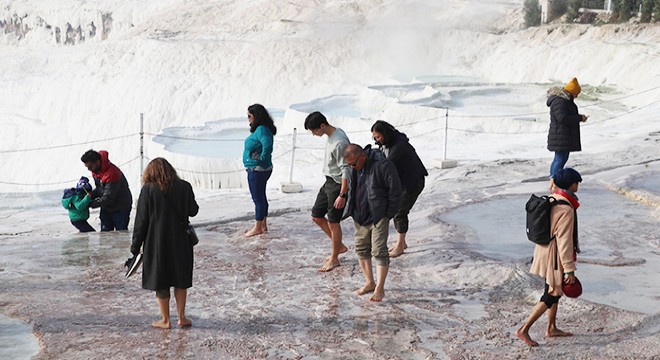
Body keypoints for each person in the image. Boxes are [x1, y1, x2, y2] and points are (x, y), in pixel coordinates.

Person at [516, 168, 583, 347]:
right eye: (577, 183)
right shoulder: (565, 208)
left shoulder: (553, 199)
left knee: (554, 289)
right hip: (554, 257)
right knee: (552, 294)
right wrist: (569, 269)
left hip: (542, 251)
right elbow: (564, 241)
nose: (578, 186)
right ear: (571, 185)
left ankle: (551, 327)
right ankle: (524, 329)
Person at [130, 158, 199, 329]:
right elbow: (194, 210)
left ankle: (165, 320)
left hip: (156, 242)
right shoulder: (184, 186)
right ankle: (182, 317)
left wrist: (135, 245)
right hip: (181, 242)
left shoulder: (147, 190)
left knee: (160, 280)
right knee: (180, 278)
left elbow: (141, 221)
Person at [342, 144, 401, 302]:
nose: (352, 167)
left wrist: (388, 214)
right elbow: (353, 189)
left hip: (378, 215)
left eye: (353, 164)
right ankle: (369, 282)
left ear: (362, 156)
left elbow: (395, 190)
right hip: (360, 216)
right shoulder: (355, 167)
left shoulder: (383, 164)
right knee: (361, 249)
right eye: (349, 165)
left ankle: (380, 288)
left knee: (379, 250)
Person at [371, 120, 428, 257]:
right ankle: (401, 243)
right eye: (374, 137)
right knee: (397, 211)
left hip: (412, 182)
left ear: (385, 133)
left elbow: (387, 166)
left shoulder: (399, 146)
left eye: (378, 137)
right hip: (402, 181)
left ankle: (400, 245)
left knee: (399, 212)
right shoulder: (388, 142)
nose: (376, 140)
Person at [304, 111, 351, 272]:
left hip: (337, 185)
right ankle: (339, 247)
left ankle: (335, 258)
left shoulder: (339, 142)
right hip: (328, 182)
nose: (313, 134)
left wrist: (343, 194)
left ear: (322, 126)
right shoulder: (332, 135)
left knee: (333, 222)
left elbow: (346, 169)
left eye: (314, 130)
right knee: (316, 216)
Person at [243, 104, 277, 237]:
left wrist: (260, 160)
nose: (248, 119)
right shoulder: (263, 128)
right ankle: (263, 225)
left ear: (256, 116)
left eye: (249, 116)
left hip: (257, 169)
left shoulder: (262, 130)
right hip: (260, 169)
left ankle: (258, 227)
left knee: (257, 199)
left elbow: (267, 145)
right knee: (261, 197)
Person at [547, 77, 588, 183]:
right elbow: (563, 118)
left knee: (558, 159)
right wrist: (579, 118)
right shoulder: (560, 101)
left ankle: (553, 181)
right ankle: (555, 182)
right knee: (560, 159)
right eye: (576, 93)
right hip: (560, 136)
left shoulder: (563, 100)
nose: (577, 96)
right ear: (571, 92)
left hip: (561, 135)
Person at [80, 149, 133, 231]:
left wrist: (88, 204)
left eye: (90, 167)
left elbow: (108, 197)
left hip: (120, 207)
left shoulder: (112, 173)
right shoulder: (96, 171)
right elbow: (99, 189)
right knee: (105, 234)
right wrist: (87, 196)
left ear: (97, 162)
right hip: (107, 206)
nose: (89, 169)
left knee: (121, 234)